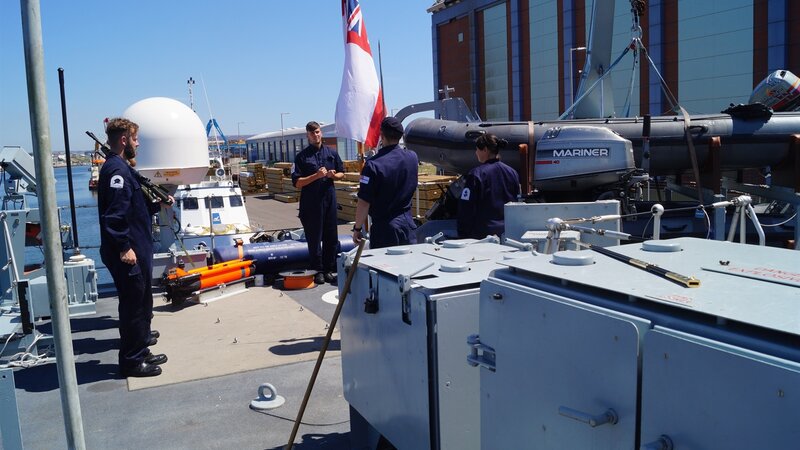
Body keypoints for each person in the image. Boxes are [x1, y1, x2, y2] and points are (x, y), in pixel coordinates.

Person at [99, 118, 168, 378]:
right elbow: (114, 216)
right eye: (135, 139)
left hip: (138, 247)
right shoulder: (116, 171)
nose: (137, 144)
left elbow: (134, 208)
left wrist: (157, 205)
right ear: (124, 140)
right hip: (128, 253)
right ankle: (131, 362)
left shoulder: (123, 168)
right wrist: (124, 247)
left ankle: (141, 350)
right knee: (133, 306)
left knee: (143, 301)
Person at [352, 117, 419, 249]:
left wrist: (357, 228)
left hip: (385, 229)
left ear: (381, 135)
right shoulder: (412, 157)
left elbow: (364, 202)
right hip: (408, 225)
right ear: (401, 136)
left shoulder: (373, 165)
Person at [292, 121, 345, 284]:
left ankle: (328, 269)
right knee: (314, 239)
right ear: (307, 135)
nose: (315, 135)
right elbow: (297, 183)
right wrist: (316, 176)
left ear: (321, 133)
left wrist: (333, 176)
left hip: (329, 200)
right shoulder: (302, 157)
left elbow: (342, 172)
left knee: (331, 237)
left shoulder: (332, 153)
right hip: (311, 204)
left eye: (317, 132)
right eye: (312, 133)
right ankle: (318, 271)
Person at [457, 133, 520, 239]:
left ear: (485, 150)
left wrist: (463, 234)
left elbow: (466, 208)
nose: (476, 153)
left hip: (483, 236)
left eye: (477, 149)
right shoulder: (512, 173)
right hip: (508, 233)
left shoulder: (476, 174)